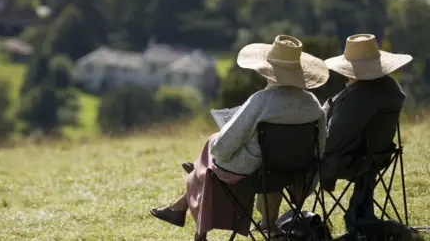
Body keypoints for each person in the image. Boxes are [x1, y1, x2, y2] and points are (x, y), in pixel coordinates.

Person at [150, 35, 329, 241]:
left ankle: (192, 215)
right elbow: (320, 149)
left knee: (213, 147)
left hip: (255, 174)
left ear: (267, 70)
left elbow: (223, 149)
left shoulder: (261, 101)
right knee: (226, 159)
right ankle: (183, 201)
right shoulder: (313, 104)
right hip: (297, 175)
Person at [320, 34, 413, 232]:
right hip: (378, 158)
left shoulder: (358, 97)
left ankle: (282, 223)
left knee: (298, 160)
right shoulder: (391, 88)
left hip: (352, 160)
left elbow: (332, 141)